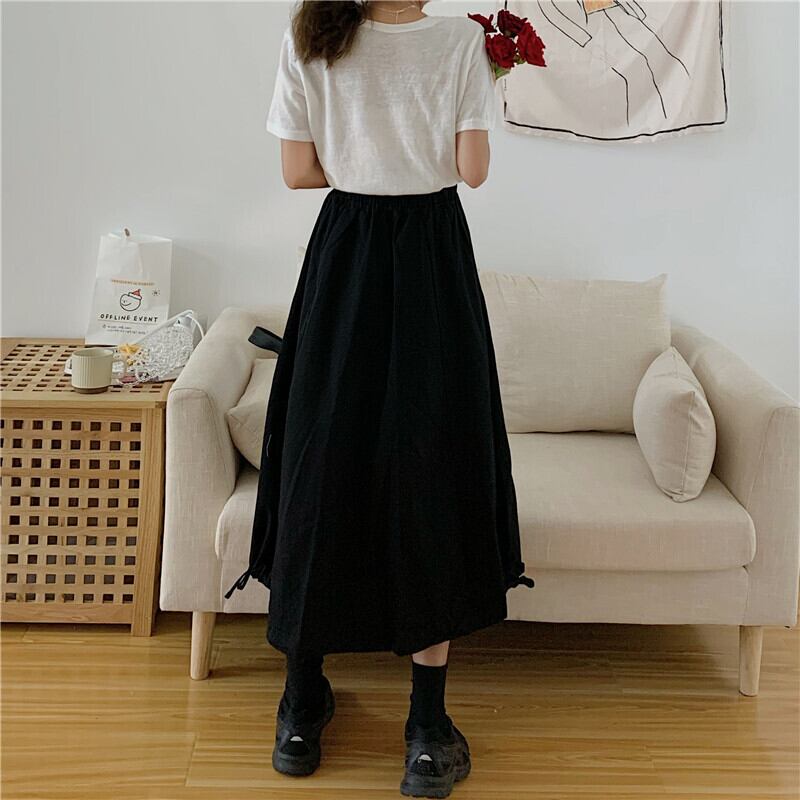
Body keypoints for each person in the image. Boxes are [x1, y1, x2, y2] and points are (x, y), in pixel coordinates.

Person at [224, 1, 534, 796]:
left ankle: (301, 711)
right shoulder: (462, 41)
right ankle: (426, 732)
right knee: (433, 464)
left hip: (345, 255)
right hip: (430, 256)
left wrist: (365, 160)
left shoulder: (313, 35)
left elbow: (297, 172)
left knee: (322, 462)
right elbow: (472, 170)